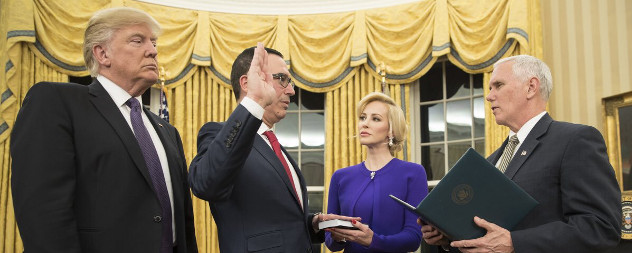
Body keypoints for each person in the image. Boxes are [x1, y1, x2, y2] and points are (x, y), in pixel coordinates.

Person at [10, 7, 197, 253]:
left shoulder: (167, 130)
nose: (153, 50)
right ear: (102, 53)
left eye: (153, 42)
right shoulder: (57, 102)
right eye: (137, 40)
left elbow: (183, 221)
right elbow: (42, 212)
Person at [421, 55, 621, 253]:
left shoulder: (576, 140)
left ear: (531, 87)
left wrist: (516, 242)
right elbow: (486, 237)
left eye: (498, 85)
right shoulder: (491, 161)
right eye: (490, 88)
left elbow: (601, 227)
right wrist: (447, 237)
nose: (489, 95)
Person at [188, 44, 354, 252]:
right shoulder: (216, 133)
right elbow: (205, 184)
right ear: (247, 83)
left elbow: (279, 221)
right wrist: (254, 100)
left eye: (290, 82)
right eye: (282, 79)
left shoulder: (273, 145)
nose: (292, 90)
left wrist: (314, 223)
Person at [325, 92, 428, 252]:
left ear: (391, 131)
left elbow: (413, 239)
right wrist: (337, 236)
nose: (364, 124)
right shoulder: (340, 177)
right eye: (362, 117)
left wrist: (372, 240)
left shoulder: (413, 173)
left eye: (376, 118)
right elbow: (330, 244)